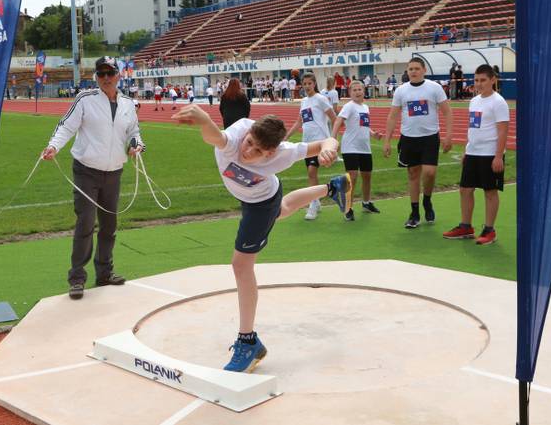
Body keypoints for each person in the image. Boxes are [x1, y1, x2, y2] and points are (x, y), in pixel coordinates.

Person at [170, 105, 347, 372]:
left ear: (271, 153)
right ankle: (332, 188)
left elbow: (326, 140)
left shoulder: (285, 153)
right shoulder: (238, 135)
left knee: (241, 266)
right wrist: (205, 120)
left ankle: (248, 340)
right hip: (256, 196)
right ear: (249, 132)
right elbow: (215, 138)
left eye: (258, 152)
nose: (248, 151)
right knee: (284, 210)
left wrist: (328, 148)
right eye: (250, 142)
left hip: (261, 201)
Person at [42, 56, 145, 300]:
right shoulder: (85, 100)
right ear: (96, 77)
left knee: (109, 226)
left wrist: (137, 145)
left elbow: (134, 132)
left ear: (119, 75)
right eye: (101, 74)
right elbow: (66, 126)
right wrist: (53, 146)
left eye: (110, 73)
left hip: (114, 172)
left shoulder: (129, 104)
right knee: (85, 223)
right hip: (86, 170)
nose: (106, 78)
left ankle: (104, 273)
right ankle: (77, 278)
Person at [383, 57, 453, 229]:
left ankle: (427, 201)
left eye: (416, 68)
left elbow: (447, 112)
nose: (413, 71)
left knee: (429, 173)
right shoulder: (401, 91)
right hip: (409, 138)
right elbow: (393, 116)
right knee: (413, 174)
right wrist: (387, 140)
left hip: (429, 137)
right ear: (407, 72)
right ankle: (414, 213)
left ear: (424, 70)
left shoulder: (434, 88)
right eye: (410, 69)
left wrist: (448, 136)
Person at [443, 65, 509, 245]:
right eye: (476, 80)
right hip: (473, 152)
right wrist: (467, 150)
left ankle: (489, 230)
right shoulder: (474, 101)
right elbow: (473, 127)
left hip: (490, 154)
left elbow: (503, 131)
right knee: (465, 190)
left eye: (483, 80)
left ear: (493, 80)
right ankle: (466, 227)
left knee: (489, 192)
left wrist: (497, 156)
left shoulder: (499, 102)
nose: (479, 84)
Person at [286, 73, 339, 220]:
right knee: (311, 174)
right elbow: (299, 122)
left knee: (311, 172)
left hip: (320, 142)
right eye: (305, 84)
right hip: (307, 143)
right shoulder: (303, 101)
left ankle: (313, 204)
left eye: (310, 83)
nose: (307, 86)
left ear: (314, 84)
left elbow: (334, 118)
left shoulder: (321, 99)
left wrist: (333, 140)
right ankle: (316, 200)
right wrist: (286, 137)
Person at [332, 80, 383, 220]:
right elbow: (338, 121)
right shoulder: (349, 106)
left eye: (359, 89)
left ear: (363, 90)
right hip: (350, 147)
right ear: (350, 93)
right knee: (352, 178)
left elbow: (364, 125)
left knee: (367, 176)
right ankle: (348, 208)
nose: (357, 92)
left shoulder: (365, 107)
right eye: (354, 90)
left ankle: (366, 203)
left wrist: (373, 134)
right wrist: (333, 139)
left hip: (365, 148)